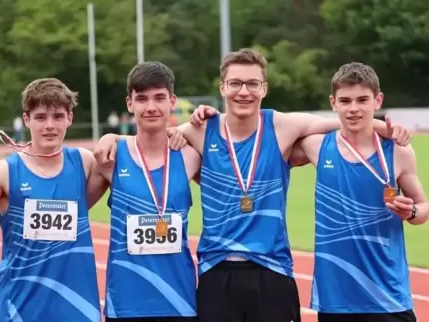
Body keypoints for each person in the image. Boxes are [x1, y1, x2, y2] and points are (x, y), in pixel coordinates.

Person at [96, 48, 410, 322]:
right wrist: (112, 137)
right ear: (222, 87)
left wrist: (386, 127)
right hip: (216, 272)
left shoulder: (282, 125)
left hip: (271, 270)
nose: (243, 91)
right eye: (235, 83)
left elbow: (344, 121)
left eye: (252, 83)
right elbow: (149, 136)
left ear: (264, 88)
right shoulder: (201, 130)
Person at [0, 78, 103, 321]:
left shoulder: (85, 162)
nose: (49, 125)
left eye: (58, 116)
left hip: (78, 306)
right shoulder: (5, 172)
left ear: (69, 118)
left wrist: (112, 138)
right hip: (22, 308)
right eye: (41, 117)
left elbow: (139, 150)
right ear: (27, 119)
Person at [288, 62, 427, 322]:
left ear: (378, 100)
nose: (353, 108)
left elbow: (423, 208)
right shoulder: (316, 146)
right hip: (336, 301)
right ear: (333, 103)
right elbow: (279, 131)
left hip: (389, 297)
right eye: (345, 101)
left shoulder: (398, 151)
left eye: (362, 100)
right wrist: (379, 124)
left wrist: (413, 211)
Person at [86, 61, 201, 321]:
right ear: (130, 104)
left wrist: (187, 129)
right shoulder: (110, 160)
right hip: (126, 305)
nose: (151, 107)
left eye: (159, 98)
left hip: (180, 302)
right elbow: (76, 213)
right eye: (142, 99)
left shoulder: (191, 157)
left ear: (172, 101)